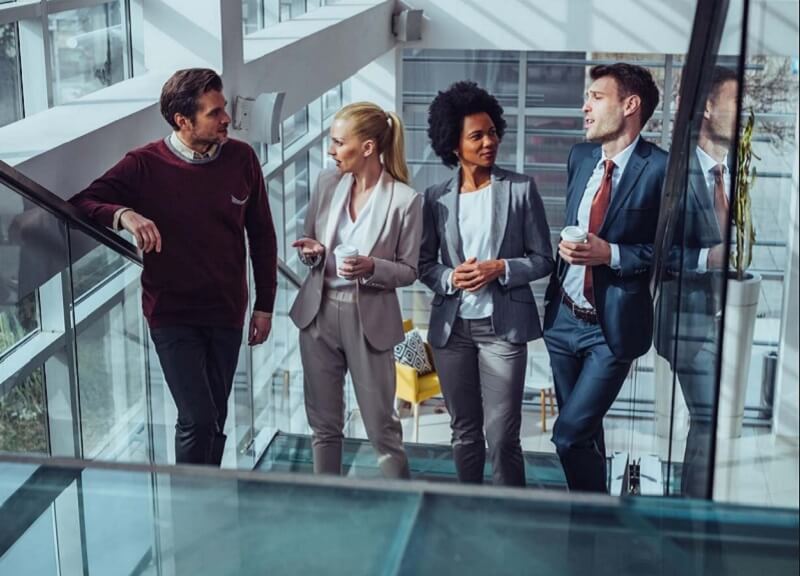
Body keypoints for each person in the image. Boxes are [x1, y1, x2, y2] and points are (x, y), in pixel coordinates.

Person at [70, 68, 277, 466]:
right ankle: (189, 504)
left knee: (215, 416)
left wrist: (265, 304)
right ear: (183, 121)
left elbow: (263, 235)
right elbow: (83, 202)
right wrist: (125, 214)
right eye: (215, 113)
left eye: (223, 110)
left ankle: (206, 500)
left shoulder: (242, 158)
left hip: (227, 312)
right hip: (172, 314)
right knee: (196, 418)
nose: (227, 119)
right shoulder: (144, 165)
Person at [418, 81, 554, 487]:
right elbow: (424, 264)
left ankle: (507, 512)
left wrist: (501, 268)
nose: (489, 141)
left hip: (503, 331)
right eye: (477, 135)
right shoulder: (435, 198)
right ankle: (469, 508)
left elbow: (543, 259)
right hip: (452, 330)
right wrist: (448, 277)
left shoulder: (520, 189)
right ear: (454, 145)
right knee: (464, 432)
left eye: (492, 131)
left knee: (502, 436)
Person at [543, 63, 667, 492]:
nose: (585, 107)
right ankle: (590, 524)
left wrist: (609, 253)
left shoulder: (661, 169)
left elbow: (669, 255)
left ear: (629, 105)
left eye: (596, 97)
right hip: (562, 322)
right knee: (586, 435)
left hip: (609, 331)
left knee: (567, 434)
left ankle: (594, 517)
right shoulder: (580, 157)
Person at [289, 102, 421, 479]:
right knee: (324, 426)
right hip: (318, 312)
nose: (331, 150)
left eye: (338, 142)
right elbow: (314, 243)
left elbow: (410, 270)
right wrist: (314, 253)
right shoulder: (327, 183)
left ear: (367, 147)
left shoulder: (404, 201)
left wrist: (372, 267)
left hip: (369, 321)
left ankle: (403, 508)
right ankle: (325, 510)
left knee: (382, 428)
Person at [655, 66, 739, 498]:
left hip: (721, 319)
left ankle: (691, 503)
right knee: (707, 417)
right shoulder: (675, 175)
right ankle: (691, 509)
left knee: (706, 419)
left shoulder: (731, 175)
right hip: (685, 323)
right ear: (707, 107)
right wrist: (710, 258)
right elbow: (659, 254)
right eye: (736, 104)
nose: (745, 116)